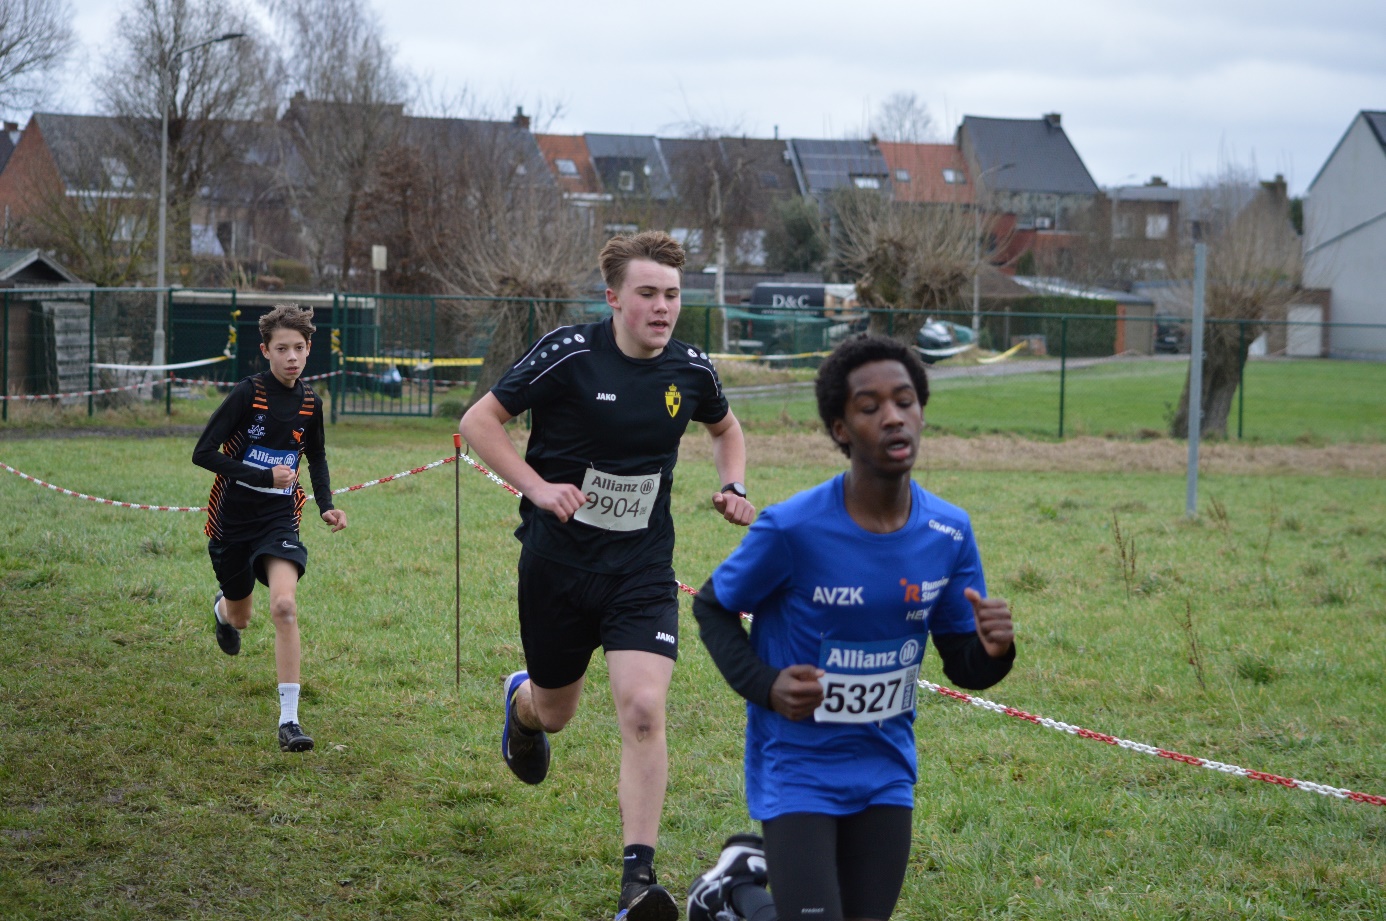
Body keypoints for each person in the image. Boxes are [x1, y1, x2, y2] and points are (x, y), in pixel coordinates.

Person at [458, 230, 756, 921]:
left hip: (641, 570)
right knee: (557, 710)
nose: (662, 307)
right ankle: (523, 708)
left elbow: (726, 429)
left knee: (644, 709)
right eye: (648, 293)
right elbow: (480, 421)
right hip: (557, 568)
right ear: (614, 296)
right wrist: (536, 486)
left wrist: (733, 482)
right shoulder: (568, 353)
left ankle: (637, 882)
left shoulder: (692, 370)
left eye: (673, 295)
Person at [686, 334, 1016, 921]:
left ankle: (733, 893)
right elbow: (711, 606)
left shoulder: (949, 531)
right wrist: (766, 685)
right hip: (797, 767)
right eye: (870, 407)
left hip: (885, 766)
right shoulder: (792, 528)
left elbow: (965, 663)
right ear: (841, 428)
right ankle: (737, 888)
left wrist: (995, 652)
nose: (894, 418)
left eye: (906, 401)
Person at [192, 303, 347, 754]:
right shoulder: (248, 394)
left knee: (283, 606)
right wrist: (261, 475)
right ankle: (224, 611)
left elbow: (315, 456)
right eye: (282, 349)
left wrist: (326, 506)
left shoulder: (311, 402)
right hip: (232, 520)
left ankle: (290, 720)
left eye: (299, 348)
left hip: (280, 518)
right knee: (242, 614)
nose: (292, 357)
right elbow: (203, 453)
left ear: (309, 349)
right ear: (266, 351)